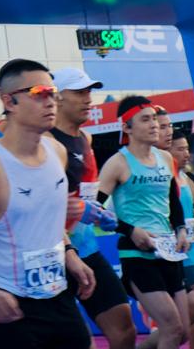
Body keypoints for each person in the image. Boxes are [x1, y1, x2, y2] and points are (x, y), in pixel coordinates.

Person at [0, 59, 95, 348]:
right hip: (9, 303)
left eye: (53, 94)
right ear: (9, 101)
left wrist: (70, 254)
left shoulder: (57, 152)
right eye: (39, 94)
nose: (51, 102)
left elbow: (45, 220)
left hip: (58, 293)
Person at [48, 67, 136, 349]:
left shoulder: (86, 139)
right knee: (76, 339)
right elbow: (41, 202)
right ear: (58, 97)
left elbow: (85, 192)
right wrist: (76, 208)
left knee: (124, 327)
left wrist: (98, 211)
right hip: (52, 252)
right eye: (79, 92)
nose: (88, 99)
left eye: (89, 91)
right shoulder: (46, 142)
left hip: (86, 247)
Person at [98, 98, 191, 349]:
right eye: (145, 120)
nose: (154, 125)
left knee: (183, 332)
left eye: (155, 119)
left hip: (169, 251)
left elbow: (173, 200)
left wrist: (181, 229)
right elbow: (95, 210)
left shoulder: (165, 157)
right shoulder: (117, 163)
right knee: (171, 328)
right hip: (137, 255)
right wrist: (130, 230)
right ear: (127, 128)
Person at [168, 131, 194, 349]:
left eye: (187, 149)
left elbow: (185, 213)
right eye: (180, 149)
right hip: (182, 253)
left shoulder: (187, 178)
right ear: (168, 151)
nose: (186, 153)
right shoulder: (168, 179)